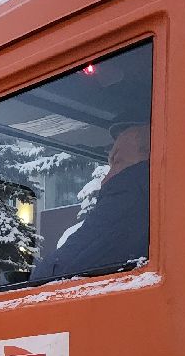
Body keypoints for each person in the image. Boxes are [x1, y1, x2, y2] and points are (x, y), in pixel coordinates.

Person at [35, 120, 151, 282]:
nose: (105, 180)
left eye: (117, 161)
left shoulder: (132, 192)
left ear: (150, 160)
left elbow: (60, 269)